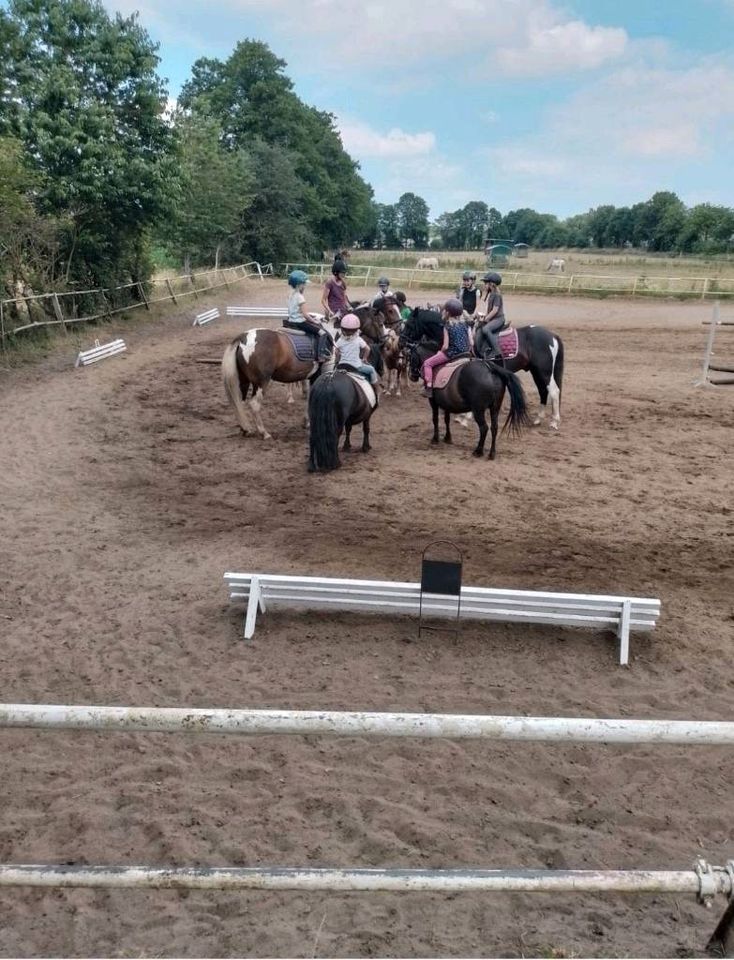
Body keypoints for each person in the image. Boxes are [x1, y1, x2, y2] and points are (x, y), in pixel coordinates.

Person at [421, 298, 473, 397]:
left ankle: (428, 387)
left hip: (452, 354)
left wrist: (440, 352)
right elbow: (471, 342)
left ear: (448, 313)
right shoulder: (465, 325)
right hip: (465, 353)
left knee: (427, 363)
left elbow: (445, 346)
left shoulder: (447, 326)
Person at [285, 269, 332, 362]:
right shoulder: (300, 297)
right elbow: (305, 315)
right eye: (304, 284)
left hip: (290, 320)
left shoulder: (290, 294)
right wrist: (315, 321)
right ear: (299, 285)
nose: (305, 286)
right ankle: (320, 354)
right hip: (299, 322)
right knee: (322, 333)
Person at [335, 313, 380, 387]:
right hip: (356, 366)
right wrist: (364, 359)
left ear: (342, 329)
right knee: (371, 370)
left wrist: (338, 359)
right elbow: (367, 349)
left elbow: (336, 351)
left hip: (341, 366)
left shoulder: (340, 340)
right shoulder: (358, 339)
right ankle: (376, 390)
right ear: (356, 329)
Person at [478, 271, 507, 365]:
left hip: (499, 319)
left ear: (492, 284)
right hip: (493, 318)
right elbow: (483, 304)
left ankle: (496, 350)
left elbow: (495, 310)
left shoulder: (497, 295)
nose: (484, 285)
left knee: (486, 329)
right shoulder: (490, 294)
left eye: (486, 283)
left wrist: (486, 318)